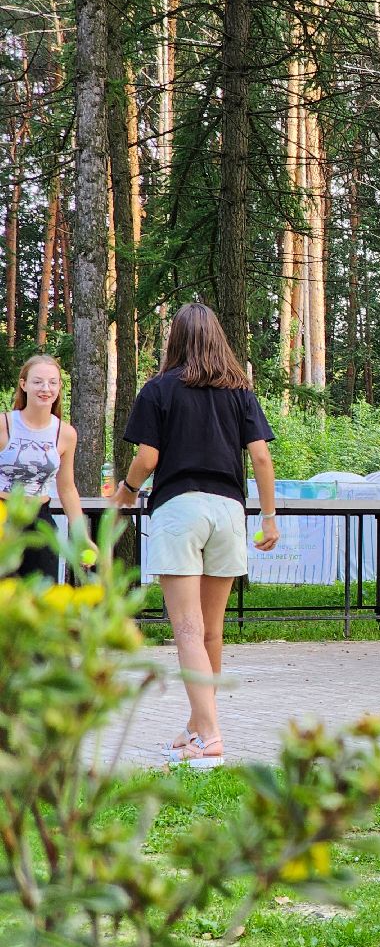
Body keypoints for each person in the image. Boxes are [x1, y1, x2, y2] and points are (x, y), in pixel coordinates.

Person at [112, 303, 280, 770]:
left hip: (179, 508)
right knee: (211, 631)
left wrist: (126, 492)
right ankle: (194, 727)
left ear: (176, 339)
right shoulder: (239, 392)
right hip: (229, 510)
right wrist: (268, 517)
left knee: (185, 629)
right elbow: (262, 458)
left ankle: (209, 736)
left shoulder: (160, 389)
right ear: (218, 339)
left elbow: (147, 459)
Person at [0, 354, 89, 579]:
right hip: (4, 515)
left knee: (40, 600)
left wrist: (81, 536)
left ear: (59, 386)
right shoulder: (5, 424)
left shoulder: (66, 434)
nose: (45, 388)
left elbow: (67, 488)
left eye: (52, 382)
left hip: (40, 520)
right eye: (37, 381)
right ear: (24, 384)